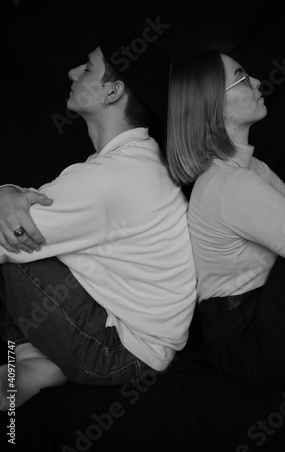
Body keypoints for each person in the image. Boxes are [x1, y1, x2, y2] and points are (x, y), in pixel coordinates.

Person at [0, 29, 197, 409]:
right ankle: (35, 362)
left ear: (112, 92)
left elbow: (9, 232)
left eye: (88, 68)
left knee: (15, 248)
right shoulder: (138, 157)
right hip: (139, 342)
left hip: (117, 353)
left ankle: (30, 358)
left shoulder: (107, 179)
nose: (73, 73)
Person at [166, 49, 285, 386]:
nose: (256, 81)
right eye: (241, 77)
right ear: (213, 105)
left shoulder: (249, 170)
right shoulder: (230, 185)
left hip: (263, 313)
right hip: (247, 342)